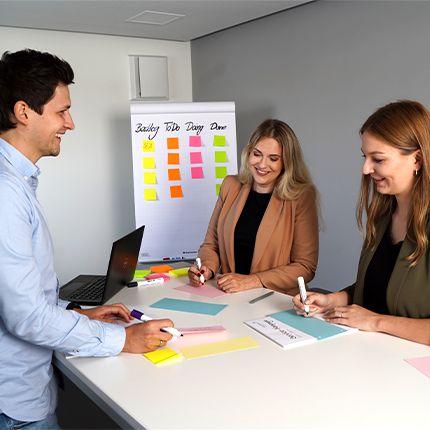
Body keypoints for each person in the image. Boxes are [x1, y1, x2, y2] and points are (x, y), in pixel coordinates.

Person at [0, 49, 174, 429]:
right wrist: (122, 341)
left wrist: (74, 313)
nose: (71, 123)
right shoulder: (5, 192)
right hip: (12, 402)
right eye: (61, 111)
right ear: (24, 112)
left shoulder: (17, 183)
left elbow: (24, 297)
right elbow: (25, 316)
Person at [293, 100, 430, 345]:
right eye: (365, 157)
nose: (366, 169)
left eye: (378, 159)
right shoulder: (384, 215)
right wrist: (334, 299)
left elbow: (378, 314)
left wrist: (376, 321)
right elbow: (382, 284)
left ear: (417, 160)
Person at [188, 119, 319, 294]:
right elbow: (211, 245)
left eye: (273, 158)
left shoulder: (301, 196)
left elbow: (305, 266)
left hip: (276, 301)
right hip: (229, 296)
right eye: (257, 154)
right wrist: (206, 268)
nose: (262, 164)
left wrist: (253, 281)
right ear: (248, 153)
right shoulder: (230, 185)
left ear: (286, 163)